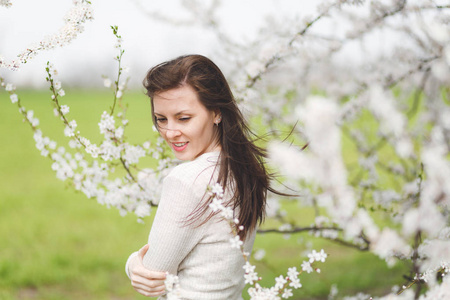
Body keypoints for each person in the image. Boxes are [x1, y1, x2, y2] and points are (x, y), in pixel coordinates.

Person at [125, 54, 277, 299]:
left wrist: (132, 263)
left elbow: (152, 273)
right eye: (160, 119)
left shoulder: (187, 179)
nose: (170, 132)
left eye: (184, 118)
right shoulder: (241, 167)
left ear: (216, 112)